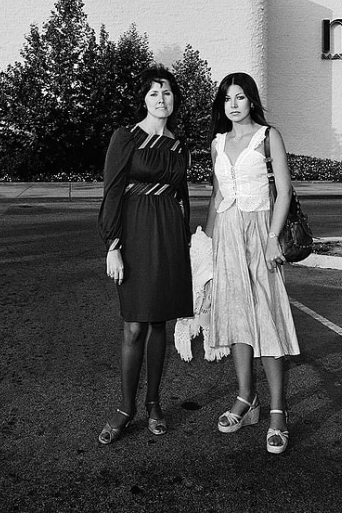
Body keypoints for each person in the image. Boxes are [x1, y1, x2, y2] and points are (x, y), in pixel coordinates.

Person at [204, 72, 300, 455]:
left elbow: (285, 191)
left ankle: (278, 412)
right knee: (236, 317)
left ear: (251, 101)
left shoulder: (268, 136)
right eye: (227, 98)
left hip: (260, 232)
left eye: (240, 97)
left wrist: (274, 237)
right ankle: (247, 400)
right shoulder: (217, 142)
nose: (233, 104)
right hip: (226, 233)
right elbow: (215, 195)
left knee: (268, 318)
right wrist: (206, 246)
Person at [97, 65, 193, 445]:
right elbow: (113, 192)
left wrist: (187, 242)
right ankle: (126, 409)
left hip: (169, 233)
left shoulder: (179, 144)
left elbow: (181, 195)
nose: (161, 99)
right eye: (154, 93)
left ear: (174, 99)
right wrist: (113, 246)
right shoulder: (127, 138)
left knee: (159, 325)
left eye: (167, 93)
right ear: (144, 99)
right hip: (134, 233)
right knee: (135, 325)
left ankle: (154, 403)